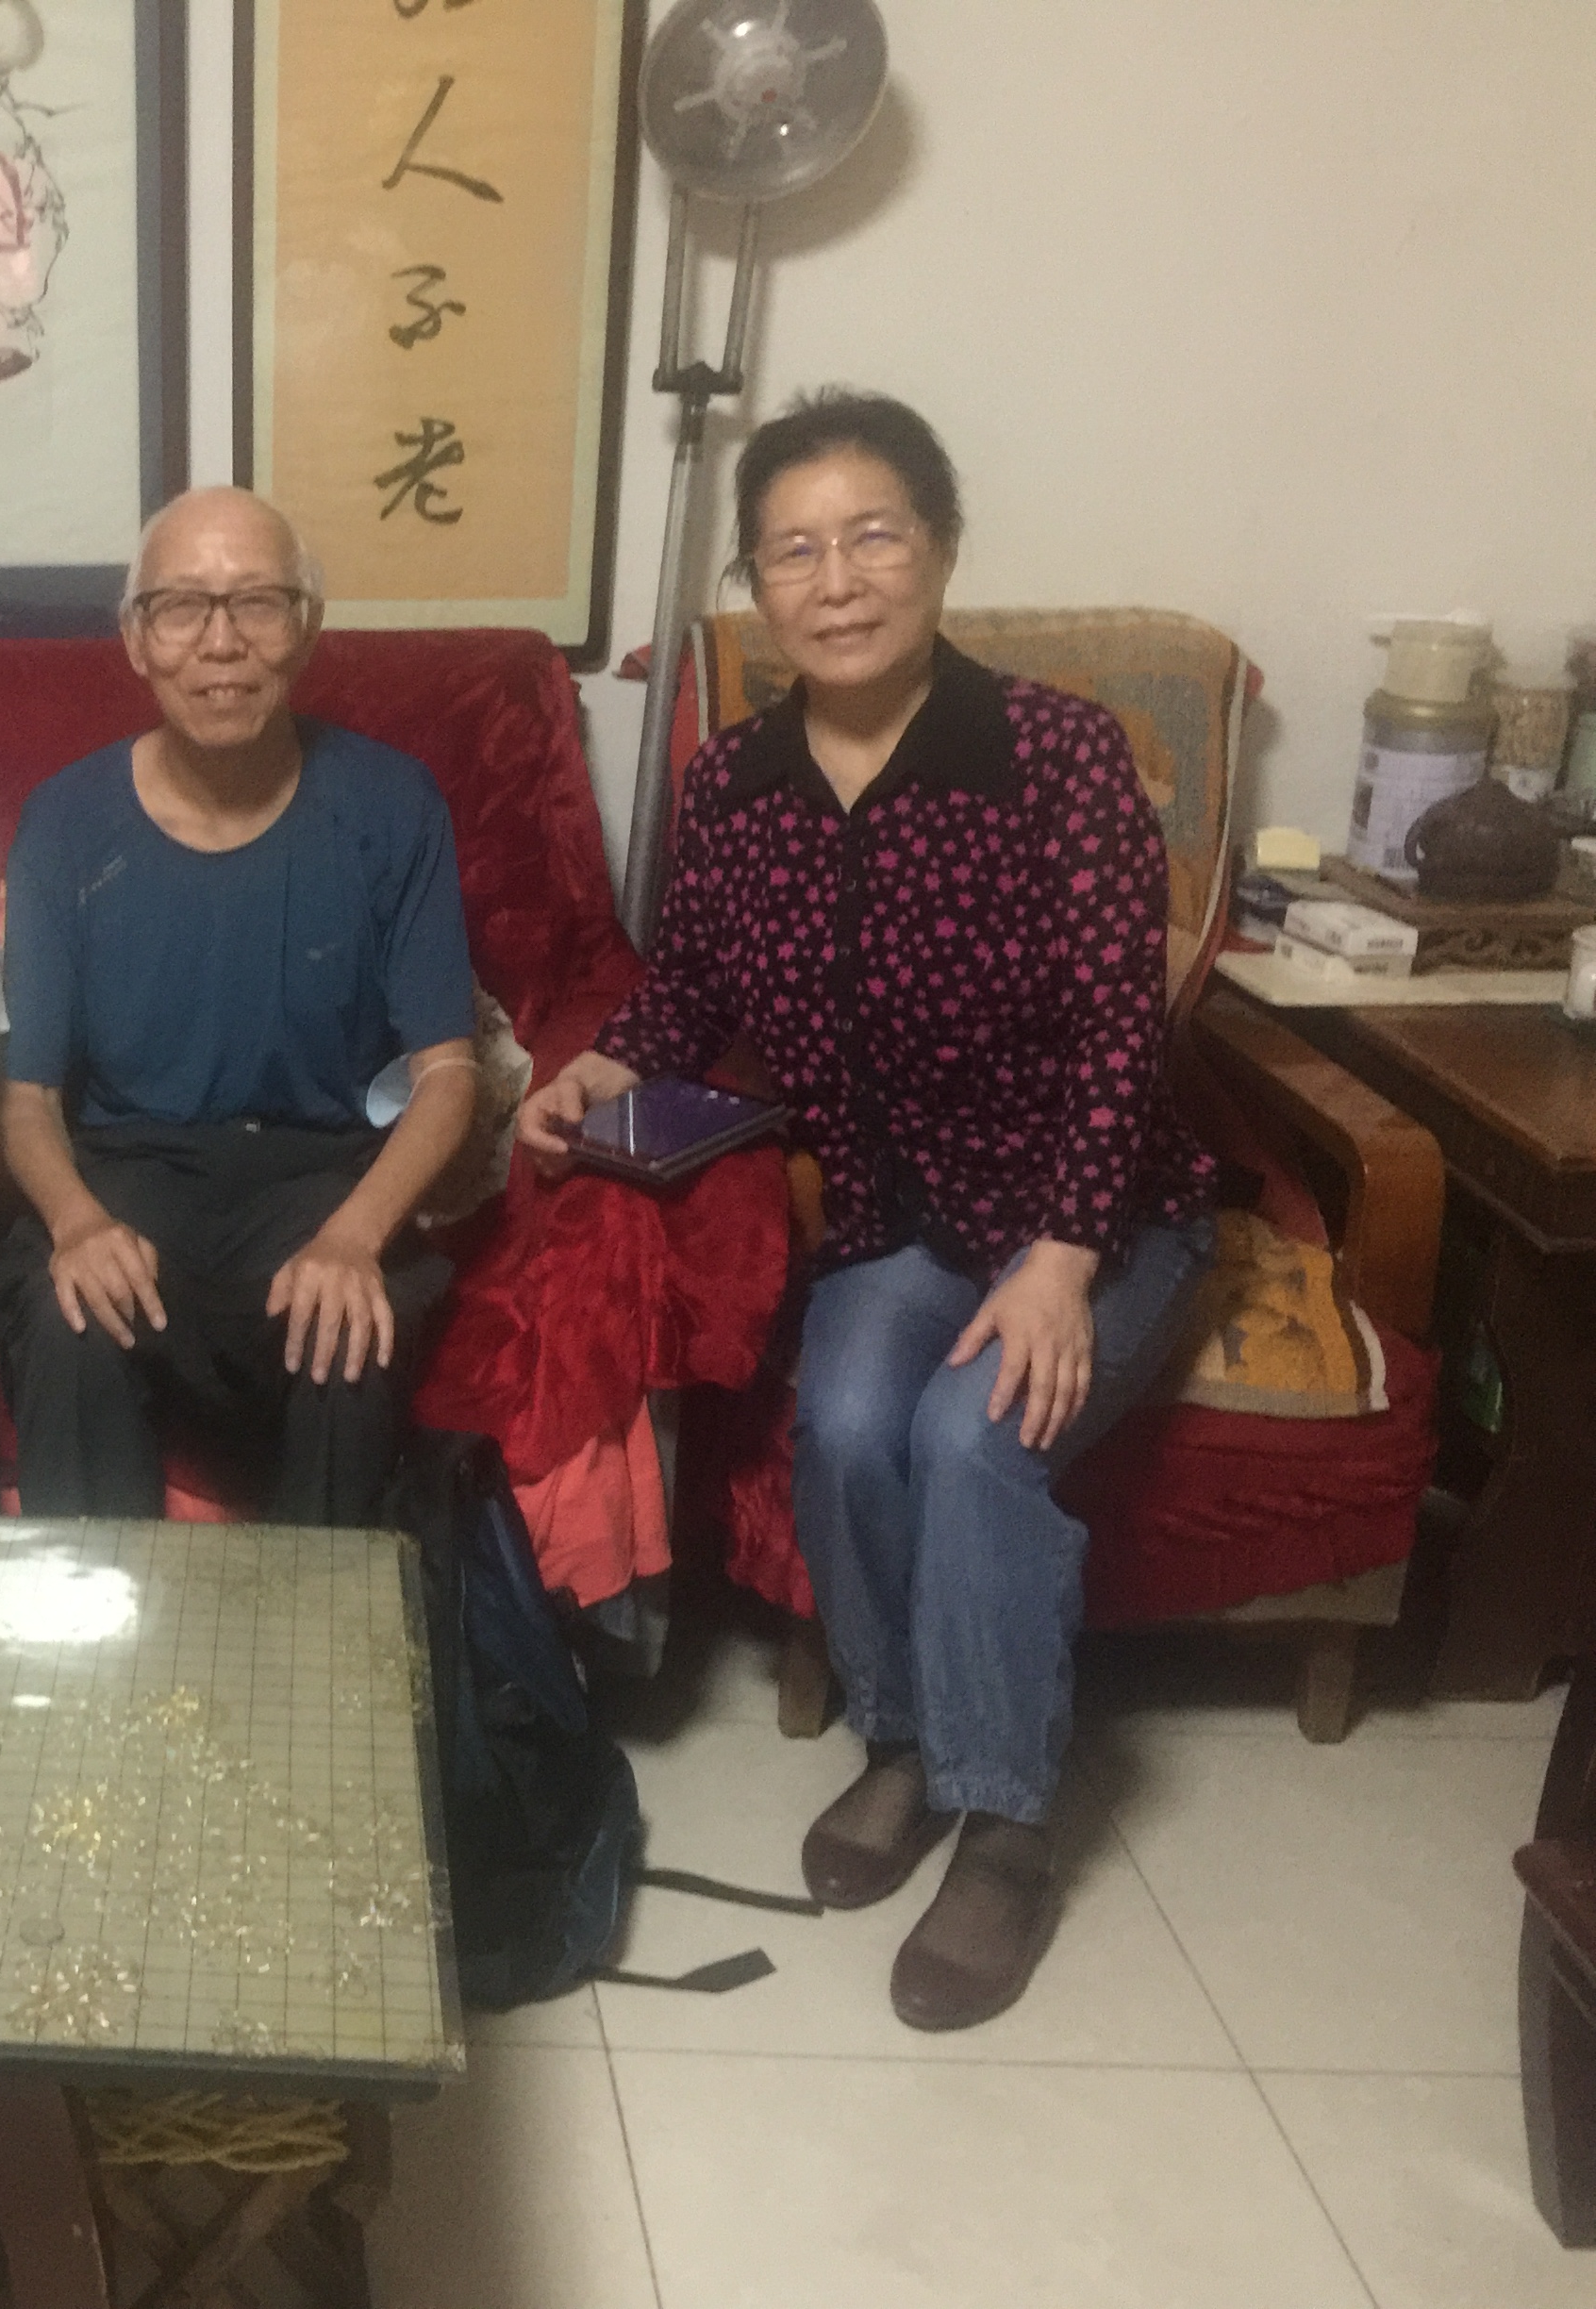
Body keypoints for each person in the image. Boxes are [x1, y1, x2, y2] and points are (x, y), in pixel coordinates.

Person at [518, 390, 1218, 2031]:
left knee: (973, 1438)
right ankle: (903, 1737)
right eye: (793, 551)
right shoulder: (738, 781)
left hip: (1090, 1213)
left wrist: (1060, 1263)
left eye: (872, 536)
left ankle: (1005, 1819)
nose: (834, 582)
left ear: (941, 549)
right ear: (758, 586)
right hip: (900, 1214)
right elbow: (691, 987)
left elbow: (1120, 1033)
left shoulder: (1054, 757)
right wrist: (597, 1068)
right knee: (841, 1422)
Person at [0, 486, 478, 1526]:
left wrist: (354, 1237)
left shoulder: (392, 804)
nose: (221, 643)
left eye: (257, 602)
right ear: (136, 639)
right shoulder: (67, 819)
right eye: (181, 608)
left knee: (348, 1333)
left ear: (307, 627)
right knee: (71, 1317)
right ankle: (94, 1629)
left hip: (318, 1180)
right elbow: (26, 1101)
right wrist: (77, 1223)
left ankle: (326, 1632)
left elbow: (447, 1075)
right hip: (126, 1176)